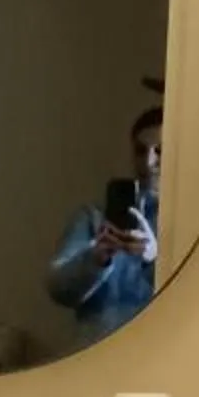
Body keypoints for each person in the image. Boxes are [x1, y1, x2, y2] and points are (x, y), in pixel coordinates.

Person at [47, 102, 162, 340]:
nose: (149, 162)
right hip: (95, 352)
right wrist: (96, 259)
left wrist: (153, 260)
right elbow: (57, 289)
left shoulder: (189, 223)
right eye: (140, 151)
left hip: (159, 350)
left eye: (160, 150)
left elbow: (195, 296)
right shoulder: (93, 218)